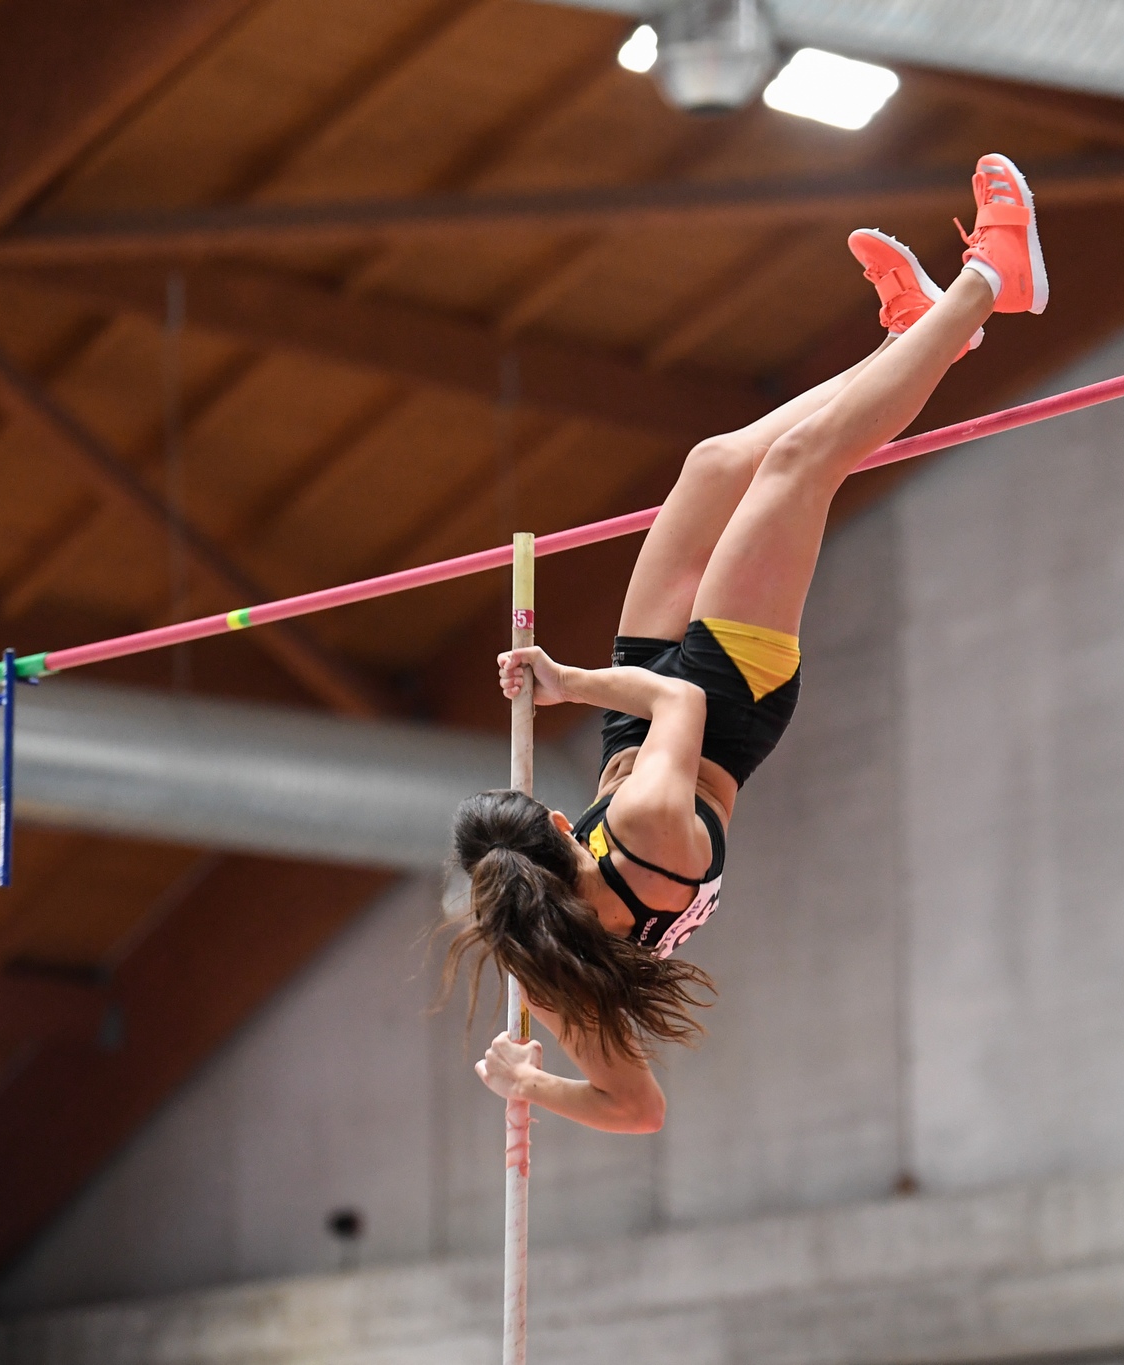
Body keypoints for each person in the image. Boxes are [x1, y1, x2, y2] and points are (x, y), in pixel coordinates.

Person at [445, 153, 1048, 1135]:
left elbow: (631, 1106)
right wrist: (564, 681)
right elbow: (678, 703)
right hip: (723, 704)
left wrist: (530, 1083)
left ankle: (915, 336)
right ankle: (993, 282)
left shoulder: (541, 961)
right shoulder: (641, 826)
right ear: (560, 833)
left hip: (641, 725)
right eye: (555, 822)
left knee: (712, 464)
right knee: (799, 466)